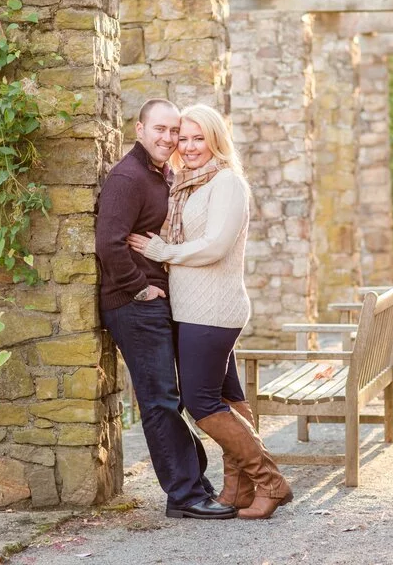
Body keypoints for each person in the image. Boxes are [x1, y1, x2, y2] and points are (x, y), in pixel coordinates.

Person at [127, 104, 293, 520]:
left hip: (213, 310)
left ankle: (271, 483)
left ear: (216, 139)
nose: (188, 146)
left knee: (200, 403)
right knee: (227, 397)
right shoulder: (187, 184)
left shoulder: (227, 183)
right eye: (183, 138)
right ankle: (237, 488)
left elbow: (217, 245)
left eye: (198, 138)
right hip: (193, 309)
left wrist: (162, 251)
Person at [95, 99, 235, 520]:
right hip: (134, 306)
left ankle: (195, 482)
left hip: (159, 302)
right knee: (160, 400)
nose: (169, 138)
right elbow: (108, 244)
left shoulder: (163, 175)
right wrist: (139, 289)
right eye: (160, 129)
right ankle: (185, 497)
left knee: (171, 398)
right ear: (139, 129)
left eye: (175, 131)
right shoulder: (127, 177)